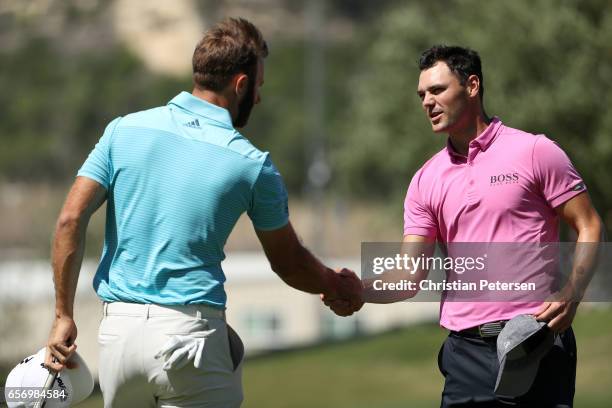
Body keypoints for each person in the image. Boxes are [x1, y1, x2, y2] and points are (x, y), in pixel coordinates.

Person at [44, 17, 363, 407]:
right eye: (258, 87)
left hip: (118, 336)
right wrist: (334, 285)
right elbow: (289, 262)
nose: (258, 98)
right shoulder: (251, 163)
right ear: (240, 85)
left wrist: (63, 313)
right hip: (189, 334)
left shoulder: (123, 130)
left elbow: (69, 219)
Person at [325, 45, 602, 407]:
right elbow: (409, 276)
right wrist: (359, 289)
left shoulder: (536, 151)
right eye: (422, 94)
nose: (427, 102)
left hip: (537, 342)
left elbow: (590, 225)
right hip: (465, 355)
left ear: (472, 86)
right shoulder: (425, 179)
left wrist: (572, 293)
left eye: (437, 90)